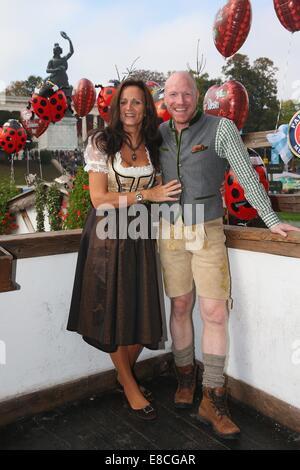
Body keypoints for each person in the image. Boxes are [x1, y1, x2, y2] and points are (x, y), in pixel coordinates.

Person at [158, 71, 300, 439]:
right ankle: (185, 376)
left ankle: (213, 396)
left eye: (186, 93)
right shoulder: (156, 134)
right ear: (165, 98)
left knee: (215, 311)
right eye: (172, 94)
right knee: (179, 306)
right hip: (169, 232)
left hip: (207, 230)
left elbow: (246, 174)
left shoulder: (221, 129)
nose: (180, 101)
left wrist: (271, 219)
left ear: (198, 95)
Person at [67, 79, 182, 421]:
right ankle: (130, 386)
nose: (130, 108)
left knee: (137, 306)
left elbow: (167, 187)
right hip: (108, 235)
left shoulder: (154, 143)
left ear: (146, 107)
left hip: (141, 232)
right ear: (116, 108)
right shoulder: (101, 142)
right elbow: (99, 199)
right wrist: (148, 195)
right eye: (124, 102)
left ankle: (124, 374)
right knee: (113, 309)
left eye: (137, 102)